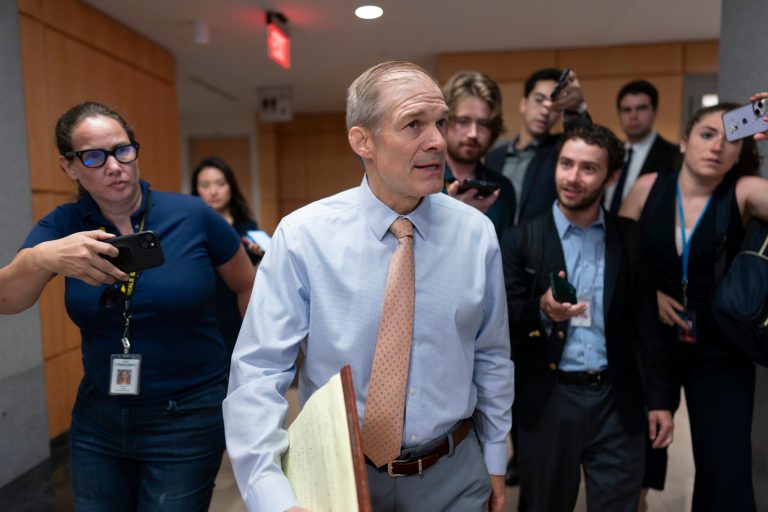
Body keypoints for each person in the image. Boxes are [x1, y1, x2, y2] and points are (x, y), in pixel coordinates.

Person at [223, 60, 514, 512]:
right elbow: (259, 371)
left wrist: (495, 458)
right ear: (363, 141)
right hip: (338, 475)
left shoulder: (476, 235)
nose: (437, 141)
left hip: (453, 472)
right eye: (413, 125)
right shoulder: (304, 236)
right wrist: (272, 496)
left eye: (440, 122)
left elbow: (491, 355)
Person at [0, 101, 255, 510]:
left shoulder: (191, 215)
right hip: (99, 413)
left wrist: (247, 372)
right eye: (94, 157)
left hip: (187, 412)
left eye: (122, 150)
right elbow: (7, 299)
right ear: (69, 167)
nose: (114, 166)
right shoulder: (64, 226)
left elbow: (248, 286)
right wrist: (43, 257)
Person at [502, 124, 674, 512]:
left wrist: (661, 401)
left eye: (588, 169)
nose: (572, 178)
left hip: (617, 399)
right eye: (566, 164)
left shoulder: (629, 238)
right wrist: (541, 310)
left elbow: (647, 325)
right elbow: (506, 318)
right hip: (548, 400)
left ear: (612, 177)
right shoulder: (520, 240)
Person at [620, 101, 768, 511]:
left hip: (720, 351)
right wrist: (647, 295)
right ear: (684, 141)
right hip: (652, 347)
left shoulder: (743, 191)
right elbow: (616, 258)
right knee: (635, 464)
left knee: (726, 472)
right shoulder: (649, 187)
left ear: (742, 151)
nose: (717, 146)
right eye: (707, 134)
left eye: (731, 138)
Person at [485, 67, 590, 225]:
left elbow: (586, 143)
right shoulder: (494, 156)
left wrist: (575, 110)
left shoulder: (559, 151)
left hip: (537, 244)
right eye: (539, 100)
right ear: (523, 104)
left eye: (554, 104)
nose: (546, 110)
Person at [192, 156, 262, 354]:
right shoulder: (191, 227)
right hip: (202, 309)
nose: (213, 191)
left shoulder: (247, 227)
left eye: (220, 184)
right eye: (205, 185)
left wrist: (258, 255)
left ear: (230, 187)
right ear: (196, 190)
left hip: (237, 309)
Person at [441, 70, 515, 238]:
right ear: (444, 121)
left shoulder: (503, 189)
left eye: (483, 124)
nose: (473, 133)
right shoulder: (421, 182)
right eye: (463, 121)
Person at [604, 80, 679, 214]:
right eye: (626, 110)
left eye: (641, 108)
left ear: (654, 111)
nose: (633, 116)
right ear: (619, 114)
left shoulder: (673, 155)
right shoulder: (608, 153)